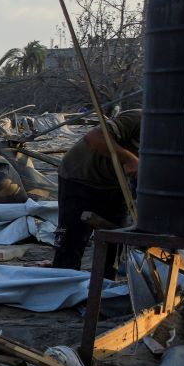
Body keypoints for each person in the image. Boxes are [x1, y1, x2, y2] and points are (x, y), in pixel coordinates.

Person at [53, 110, 141, 270]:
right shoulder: (139, 118)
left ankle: (105, 282)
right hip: (81, 177)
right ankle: (64, 279)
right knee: (72, 239)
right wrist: (129, 159)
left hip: (118, 185)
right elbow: (94, 137)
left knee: (115, 240)